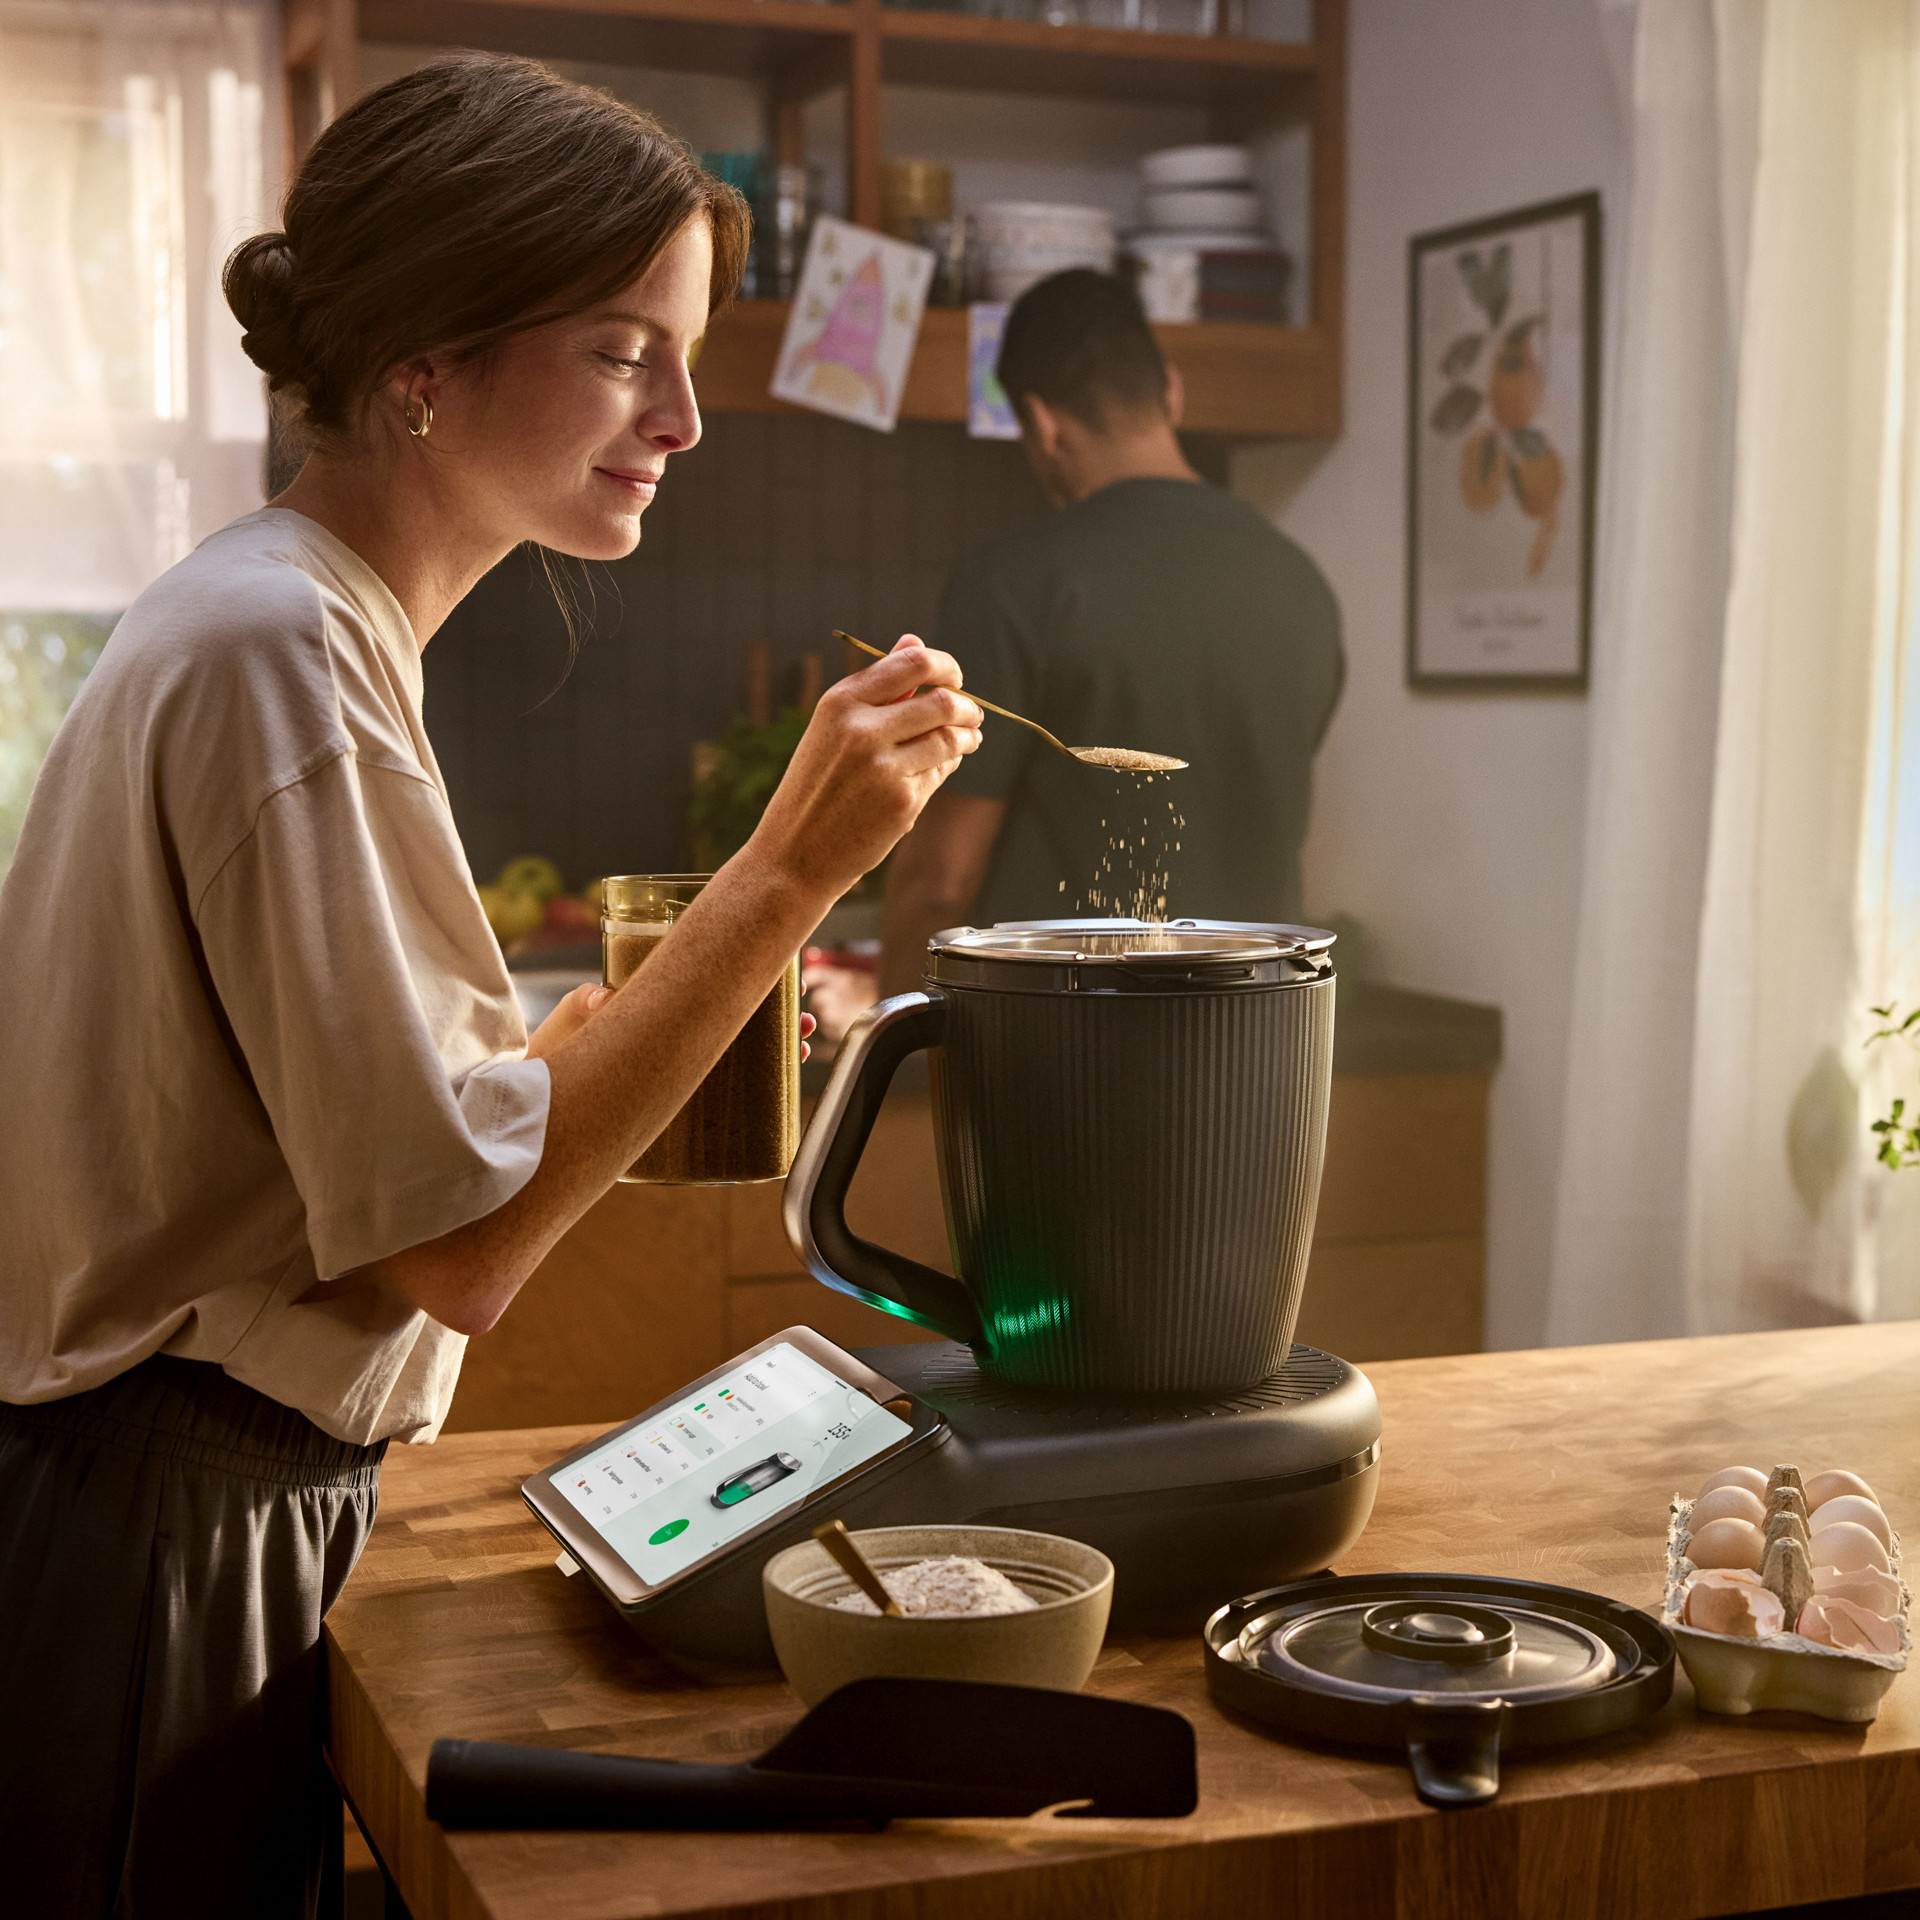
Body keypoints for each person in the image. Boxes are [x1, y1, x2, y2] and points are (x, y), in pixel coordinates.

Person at [0, 54, 981, 1919]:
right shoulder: (288, 651)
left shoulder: (285, 616)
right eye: (627, 352)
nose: (686, 418)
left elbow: (362, 1171)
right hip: (164, 1531)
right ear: (423, 363)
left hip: (162, 1509)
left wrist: (552, 1055)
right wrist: (790, 868)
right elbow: (450, 1253)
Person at [879, 268, 1342, 997]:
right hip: (1257, 1038)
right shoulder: (1303, 584)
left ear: (1042, 422)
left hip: (1063, 1049)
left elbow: (942, 881)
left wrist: (892, 1019)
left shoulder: (1011, 580)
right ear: (1172, 392)